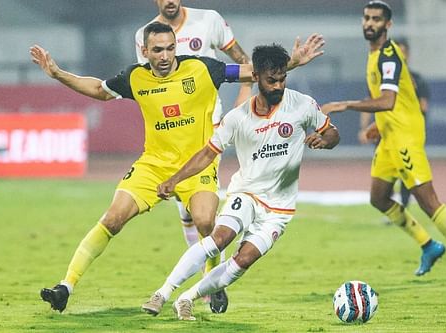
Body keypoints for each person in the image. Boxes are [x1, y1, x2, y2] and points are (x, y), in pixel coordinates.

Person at [30, 22, 325, 312]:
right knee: (112, 219)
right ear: (145, 51)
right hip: (153, 165)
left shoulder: (202, 69)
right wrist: (57, 73)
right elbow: (98, 89)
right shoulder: (135, 78)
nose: (165, 56)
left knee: (207, 223)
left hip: (198, 165)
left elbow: (254, 72)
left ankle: (214, 284)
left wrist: (293, 63)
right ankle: (65, 286)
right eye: (158, 50)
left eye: (170, 48)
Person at [141, 43, 340, 320]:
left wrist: (325, 140)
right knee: (218, 240)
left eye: (283, 78)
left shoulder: (302, 105)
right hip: (245, 193)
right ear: (256, 77)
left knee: (242, 261)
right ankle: (162, 293)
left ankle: (187, 298)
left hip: (279, 209)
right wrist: (174, 180)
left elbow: (332, 132)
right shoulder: (237, 119)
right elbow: (207, 154)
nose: (278, 85)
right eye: (272, 80)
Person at [321, 0, 446, 276]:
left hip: (405, 138)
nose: (370, 23)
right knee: (379, 198)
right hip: (389, 137)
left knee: (430, 203)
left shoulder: (389, 56)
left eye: (376, 19)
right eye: (367, 18)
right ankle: (428, 245)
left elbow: (388, 100)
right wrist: (379, 127)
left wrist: (344, 105)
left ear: (388, 24)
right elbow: (397, 100)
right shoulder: (373, 54)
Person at [135, 1, 252, 312]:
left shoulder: (209, 20)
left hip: (207, 129)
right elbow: (150, 87)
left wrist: (242, 102)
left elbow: (243, 61)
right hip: (173, 137)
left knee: (204, 217)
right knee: (187, 215)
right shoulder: (143, 36)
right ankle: (209, 276)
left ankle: (213, 281)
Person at [359, 37, 431, 209]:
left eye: (403, 51)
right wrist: (366, 127)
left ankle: (405, 204)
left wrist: (406, 122)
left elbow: (423, 106)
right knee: (384, 177)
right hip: (385, 133)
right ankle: (392, 207)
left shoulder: (417, 79)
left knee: (409, 175)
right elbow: (370, 101)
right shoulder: (380, 79)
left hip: (407, 134)